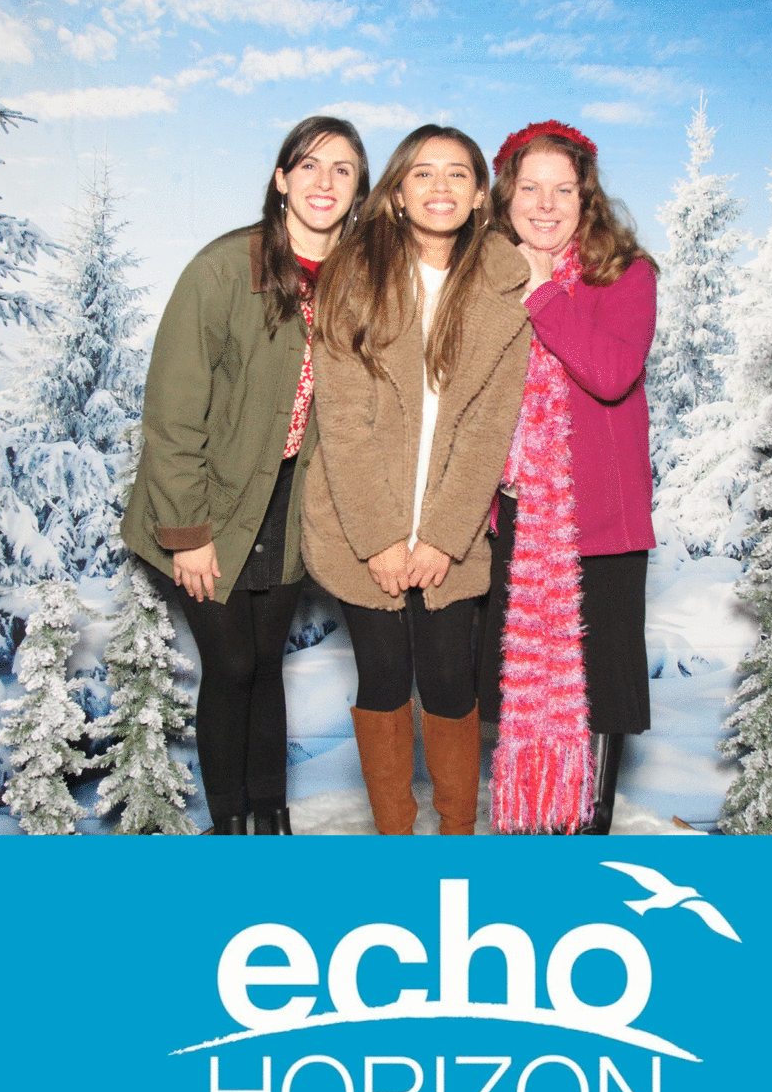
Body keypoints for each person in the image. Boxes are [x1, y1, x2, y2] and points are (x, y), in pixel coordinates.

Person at [121, 116, 370, 835]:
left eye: (343, 169)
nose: (324, 181)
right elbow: (172, 415)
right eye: (309, 165)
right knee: (231, 664)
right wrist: (187, 533)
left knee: (264, 664)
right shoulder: (226, 268)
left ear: (359, 190)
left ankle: (273, 818)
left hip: (291, 502)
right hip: (206, 500)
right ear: (281, 178)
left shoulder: (357, 282)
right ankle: (230, 827)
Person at [303, 125, 532, 835]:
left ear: (480, 194)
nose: (440, 187)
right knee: (381, 676)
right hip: (358, 523)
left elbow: (488, 429)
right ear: (397, 193)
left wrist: (442, 537)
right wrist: (380, 538)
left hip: (449, 532)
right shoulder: (354, 276)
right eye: (423, 173)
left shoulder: (506, 287)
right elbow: (342, 421)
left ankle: (456, 840)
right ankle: (395, 843)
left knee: (449, 680)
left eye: (457, 173)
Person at [477, 120, 658, 835]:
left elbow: (611, 374)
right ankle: (529, 822)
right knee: (522, 684)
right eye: (530, 188)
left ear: (588, 199)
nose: (546, 205)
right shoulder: (483, 278)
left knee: (603, 687)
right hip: (516, 520)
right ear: (506, 196)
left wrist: (543, 292)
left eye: (563, 189)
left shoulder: (626, 276)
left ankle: (590, 827)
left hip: (600, 521)